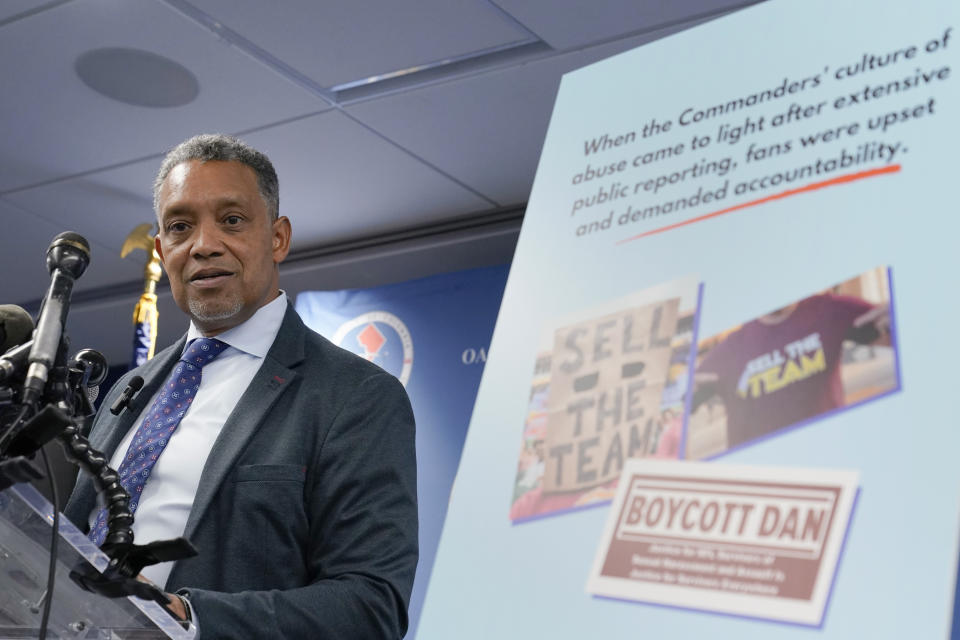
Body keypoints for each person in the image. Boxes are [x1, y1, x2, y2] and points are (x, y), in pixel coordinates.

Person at [65, 134, 418, 639]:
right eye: (181, 227)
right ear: (163, 251)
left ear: (277, 238)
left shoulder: (354, 394)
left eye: (231, 220)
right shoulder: (132, 389)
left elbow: (370, 604)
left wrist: (189, 619)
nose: (204, 244)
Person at [691, 291, 891, 449]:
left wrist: (897, 323)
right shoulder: (726, 352)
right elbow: (685, 409)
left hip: (826, 451)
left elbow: (892, 336)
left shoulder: (829, 310)